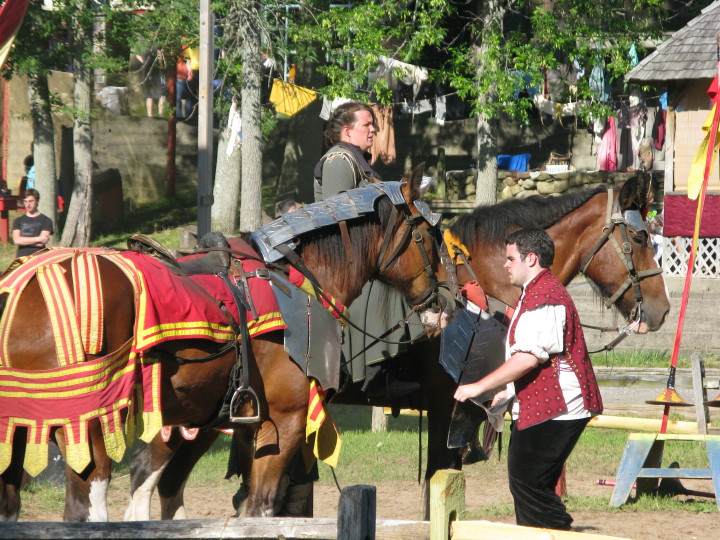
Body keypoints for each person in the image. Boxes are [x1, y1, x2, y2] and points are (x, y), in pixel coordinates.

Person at [454, 227, 603, 531]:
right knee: (530, 484)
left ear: (531, 258)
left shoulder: (546, 297)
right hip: (547, 404)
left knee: (528, 482)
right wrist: (507, 391)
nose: (505, 264)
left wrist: (480, 386)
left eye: (510, 258)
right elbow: (524, 354)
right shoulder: (534, 292)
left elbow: (529, 357)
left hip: (560, 406)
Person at [314, 101, 419, 398]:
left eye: (373, 124)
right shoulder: (339, 161)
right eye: (367, 125)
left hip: (364, 254)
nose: (374, 130)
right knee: (390, 287)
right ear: (347, 131)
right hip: (343, 261)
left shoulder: (356, 159)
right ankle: (377, 375)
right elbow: (339, 221)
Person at [12, 189, 54, 257]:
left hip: (39, 258)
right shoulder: (18, 221)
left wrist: (23, 241)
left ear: (37, 201)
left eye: (31, 201)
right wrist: (39, 239)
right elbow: (17, 240)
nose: (27, 205)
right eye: (25, 201)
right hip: (21, 259)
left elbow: (41, 244)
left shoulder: (46, 220)